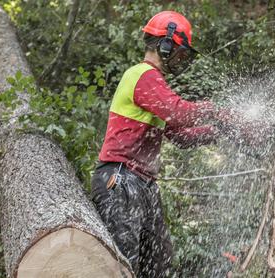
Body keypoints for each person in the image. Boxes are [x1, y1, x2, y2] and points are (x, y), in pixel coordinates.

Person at [91, 11, 222, 277]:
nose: (181, 59)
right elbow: (181, 113)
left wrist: (220, 131)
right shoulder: (143, 75)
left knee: (158, 263)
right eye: (180, 52)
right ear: (166, 45)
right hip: (121, 180)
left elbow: (180, 135)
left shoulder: (155, 85)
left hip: (143, 184)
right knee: (123, 265)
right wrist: (216, 111)